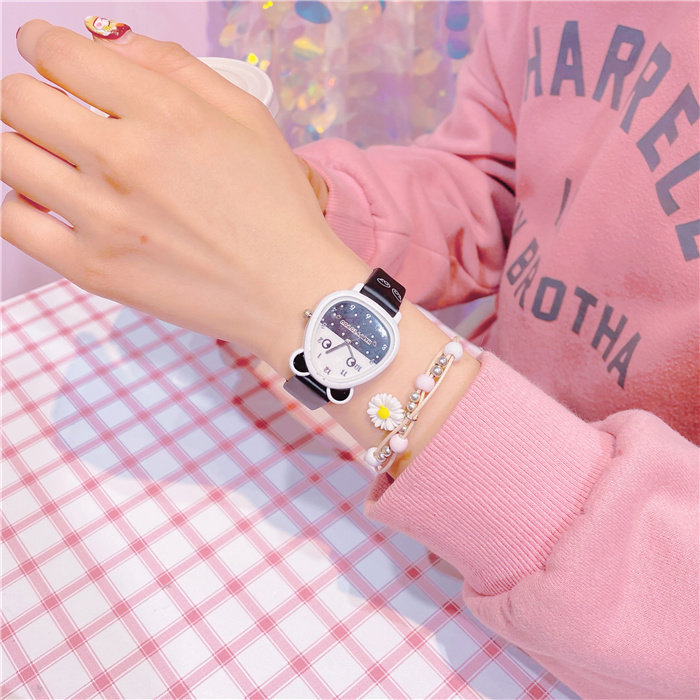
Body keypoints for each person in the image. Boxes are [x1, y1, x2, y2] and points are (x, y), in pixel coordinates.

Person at [1, 3, 697, 697]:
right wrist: (302, 204)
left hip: (605, 612)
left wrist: (290, 284)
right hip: (456, 486)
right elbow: (491, 184)